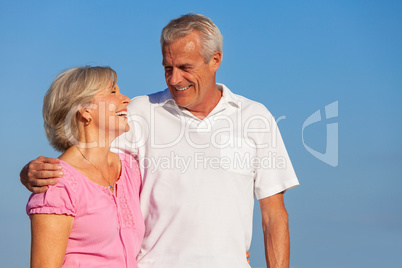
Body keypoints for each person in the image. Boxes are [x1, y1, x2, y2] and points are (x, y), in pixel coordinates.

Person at [21, 14, 299, 267]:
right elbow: (85, 158)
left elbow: (274, 216)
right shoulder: (140, 112)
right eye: (168, 68)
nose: (175, 79)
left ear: (215, 60)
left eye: (185, 67)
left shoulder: (256, 118)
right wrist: (29, 173)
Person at [26, 66, 144, 267]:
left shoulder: (131, 170)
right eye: (113, 91)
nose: (126, 99)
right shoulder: (56, 183)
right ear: (85, 111)